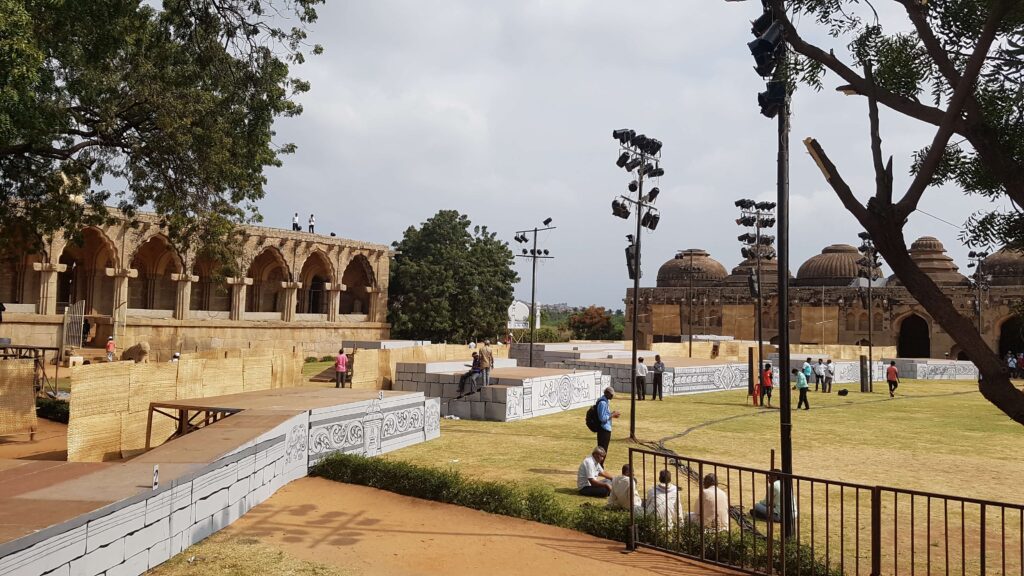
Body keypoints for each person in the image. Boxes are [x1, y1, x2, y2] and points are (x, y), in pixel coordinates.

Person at [595, 386, 619, 450]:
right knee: (602, 451)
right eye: (611, 395)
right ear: (607, 393)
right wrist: (612, 415)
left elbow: (604, 415)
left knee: (603, 451)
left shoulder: (605, 401)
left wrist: (611, 414)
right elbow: (602, 418)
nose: (612, 396)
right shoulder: (603, 403)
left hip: (605, 429)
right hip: (603, 429)